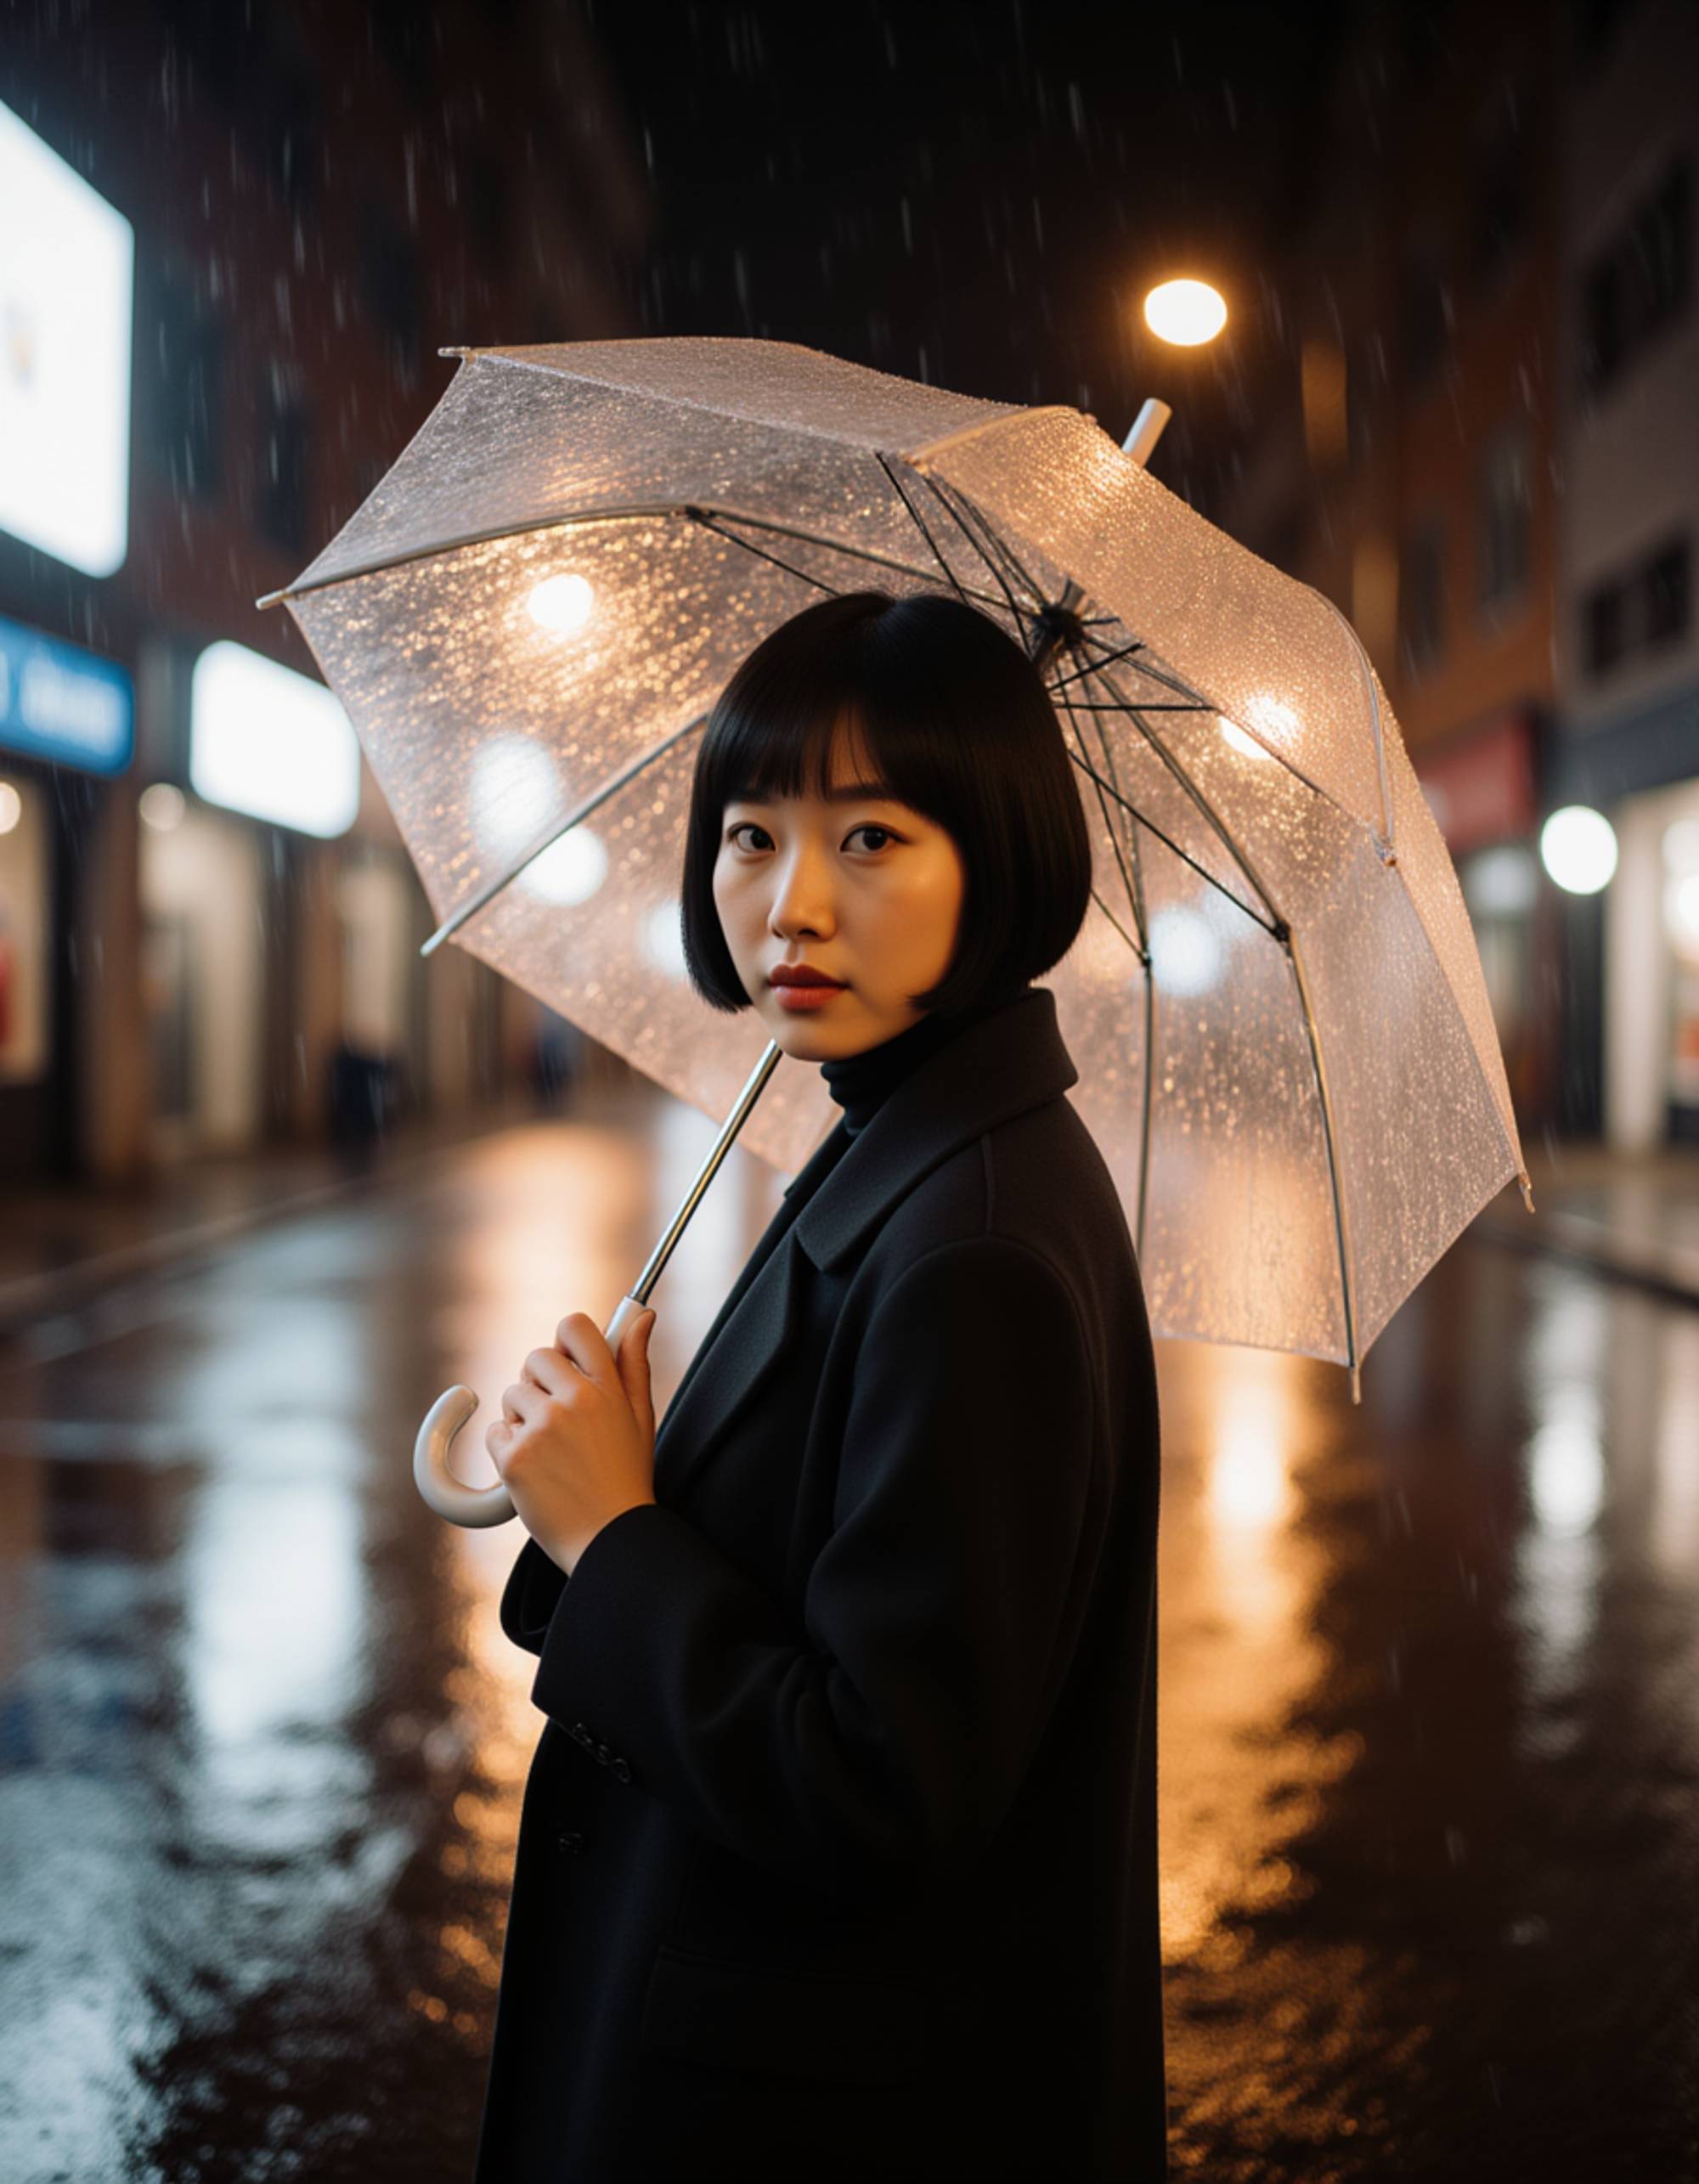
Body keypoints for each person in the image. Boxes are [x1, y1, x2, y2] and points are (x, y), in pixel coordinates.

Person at [471, 589, 1168, 2181]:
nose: (790, 906)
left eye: (870, 839)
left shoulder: (973, 1244)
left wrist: (613, 1536)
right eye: (750, 835)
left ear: (997, 859)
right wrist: (598, 1478)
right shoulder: (905, 1144)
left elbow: (884, 1787)